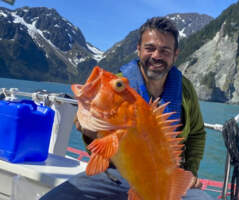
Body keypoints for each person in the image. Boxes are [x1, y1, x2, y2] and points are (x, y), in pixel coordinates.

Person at [41, 17, 213, 200]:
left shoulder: (185, 91)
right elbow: (98, 153)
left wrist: (190, 172)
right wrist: (89, 133)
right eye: (150, 48)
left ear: (175, 55)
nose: (156, 55)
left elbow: (196, 134)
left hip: (164, 181)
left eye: (165, 50)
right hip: (115, 174)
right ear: (138, 49)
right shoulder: (119, 85)